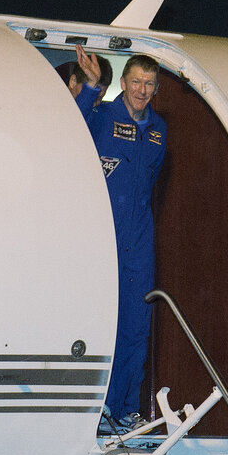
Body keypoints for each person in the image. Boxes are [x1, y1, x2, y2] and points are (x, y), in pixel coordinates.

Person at [73, 46, 167, 435]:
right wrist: (91, 86)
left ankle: (127, 408)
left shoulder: (159, 129)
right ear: (124, 83)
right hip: (103, 234)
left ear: (156, 87)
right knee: (102, 321)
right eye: (135, 82)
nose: (141, 90)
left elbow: (152, 179)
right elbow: (70, 125)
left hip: (139, 240)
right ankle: (100, 409)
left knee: (136, 325)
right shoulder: (104, 115)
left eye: (149, 84)